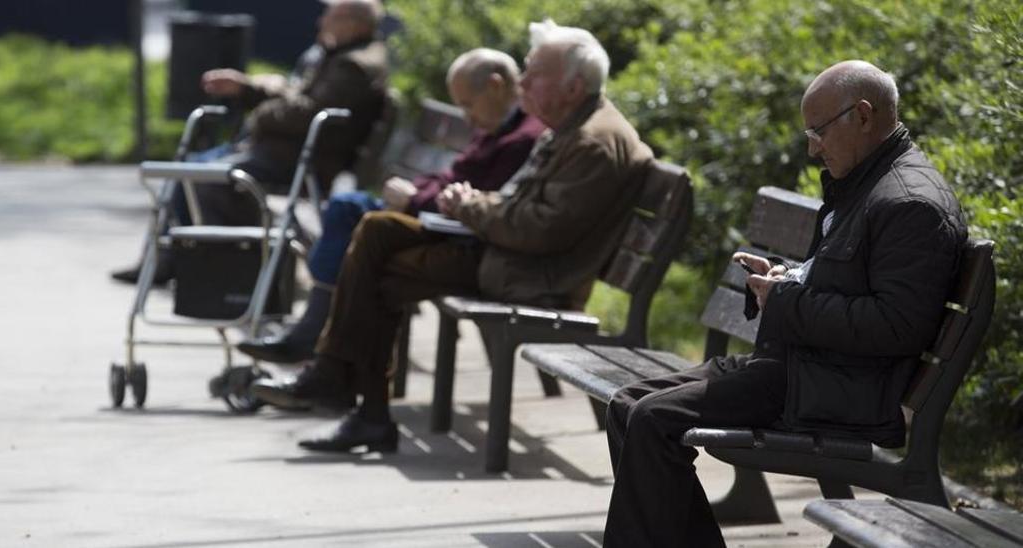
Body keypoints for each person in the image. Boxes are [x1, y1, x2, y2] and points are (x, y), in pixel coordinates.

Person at [600, 60, 967, 548]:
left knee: (652, 420)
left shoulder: (909, 202)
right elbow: (844, 281)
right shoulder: (866, 183)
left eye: (818, 131)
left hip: (833, 387)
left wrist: (787, 299)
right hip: (799, 366)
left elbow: (896, 326)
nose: (813, 147)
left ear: (862, 115)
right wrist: (784, 276)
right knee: (627, 405)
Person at [251, 20, 654, 452]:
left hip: (532, 274)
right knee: (377, 233)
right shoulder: (574, 125)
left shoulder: (592, 141)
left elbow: (539, 231)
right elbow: (523, 210)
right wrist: (475, 202)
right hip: (511, 257)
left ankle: (347, 392)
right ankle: (345, 392)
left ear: (573, 87)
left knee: (377, 253)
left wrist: (469, 204)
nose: (523, 84)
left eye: (534, 74)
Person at [236, 48, 547, 364]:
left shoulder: (520, 138)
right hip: (434, 219)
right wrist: (414, 192)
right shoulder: (499, 128)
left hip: (455, 236)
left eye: (467, 104)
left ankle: (320, 345)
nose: (467, 118)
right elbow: (450, 178)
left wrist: (413, 198)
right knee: (351, 214)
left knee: (359, 224)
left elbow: (475, 199)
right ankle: (321, 346)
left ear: (495, 86)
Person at [111, 0, 389, 284]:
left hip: (299, 160)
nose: (321, 22)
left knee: (202, 177)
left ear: (354, 24)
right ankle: (167, 259)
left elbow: (308, 112)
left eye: (330, 16)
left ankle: (224, 271)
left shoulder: (353, 65)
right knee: (187, 168)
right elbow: (299, 96)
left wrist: (261, 112)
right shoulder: (341, 55)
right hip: (282, 150)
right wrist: (249, 88)